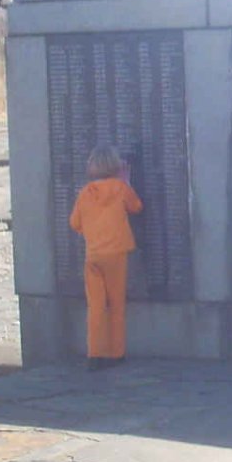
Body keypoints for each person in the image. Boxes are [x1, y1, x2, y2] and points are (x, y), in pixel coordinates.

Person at [68, 144, 143, 370]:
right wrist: (127, 182)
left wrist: (92, 233)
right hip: (117, 255)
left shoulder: (85, 193)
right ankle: (116, 353)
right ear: (116, 165)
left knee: (96, 306)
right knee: (117, 304)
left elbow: (74, 223)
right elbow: (137, 207)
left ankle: (95, 354)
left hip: (93, 256)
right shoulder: (121, 188)